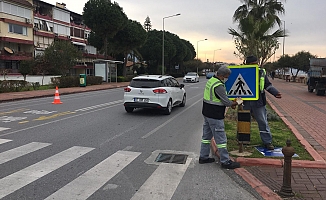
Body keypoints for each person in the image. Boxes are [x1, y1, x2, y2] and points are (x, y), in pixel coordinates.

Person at [199, 66, 241, 169]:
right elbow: (226, 102)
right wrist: (235, 103)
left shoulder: (212, 80)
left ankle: (203, 157)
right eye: (226, 77)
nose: (226, 79)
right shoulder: (218, 86)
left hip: (207, 113)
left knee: (206, 137)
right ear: (221, 75)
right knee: (221, 139)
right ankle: (225, 161)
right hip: (215, 115)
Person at [243, 56, 282, 150]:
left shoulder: (261, 72)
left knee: (263, 122)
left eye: (256, 63)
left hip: (258, 102)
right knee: (243, 121)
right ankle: (242, 141)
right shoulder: (242, 72)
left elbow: (267, 85)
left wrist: (275, 92)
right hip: (245, 101)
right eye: (253, 64)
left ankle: (267, 142)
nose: (256, 65)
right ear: (247, 64)